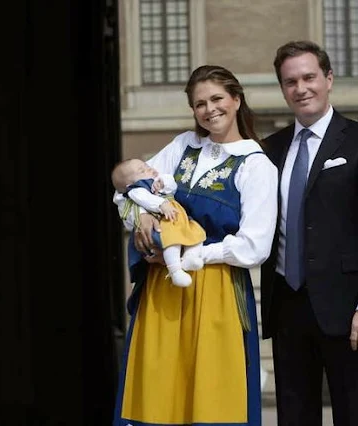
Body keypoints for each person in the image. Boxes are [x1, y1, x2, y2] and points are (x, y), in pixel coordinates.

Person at [112, 65, 278, 426]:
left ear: (236, 100)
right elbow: (125, 189)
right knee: (157, 395)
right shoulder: (182, 146)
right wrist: (142, 217)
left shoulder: (256, 164)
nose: (209, 109)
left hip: (216, 288)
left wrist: (192, 254)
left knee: (213, 397)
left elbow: (255, 245)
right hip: (162, 288)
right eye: (200, 103)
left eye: (217, 98)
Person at [260, 40, 358, 426]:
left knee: (353, 417)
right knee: (293, 417)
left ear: (329, 79)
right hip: (287, 306)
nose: (301, 88)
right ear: (283, 89)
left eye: (309, 77)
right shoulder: (270, 149)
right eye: (290, 82)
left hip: (348, 310)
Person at [111, 158, 206, 287]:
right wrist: (161, 205)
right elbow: (145, 199)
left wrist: (163, 182)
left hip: (177, 217)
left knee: (195, 232)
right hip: (163, 219)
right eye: (142, 171)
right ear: (130, 184)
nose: (149, 169)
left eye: (146, 166)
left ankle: (189, 258)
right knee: (172, 239)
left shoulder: (156, 180)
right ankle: (175, 270)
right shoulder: (136, 190)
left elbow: (172, 186)